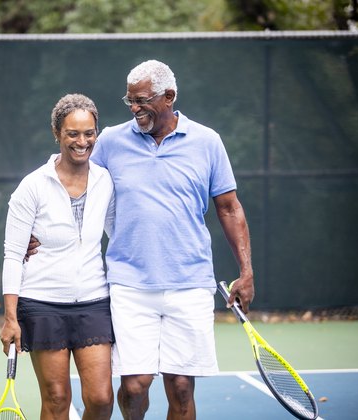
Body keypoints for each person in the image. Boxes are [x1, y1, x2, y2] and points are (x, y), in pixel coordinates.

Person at [27, 60, 255, 420]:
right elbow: (68, 172)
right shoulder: (112, 141)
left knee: (181, 388)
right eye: (129, 101)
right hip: (128, 284)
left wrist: (246, 270)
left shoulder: (208, 142)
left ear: (169, 97)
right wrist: (33, 230)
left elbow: (229, 208)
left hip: (190, 283)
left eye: (142, 100)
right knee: (134, 388)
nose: (134, 108)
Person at [0, 93, 115, 420]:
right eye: (73, 133)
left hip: (93, 301)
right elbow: (12, 255)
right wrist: (10, 317)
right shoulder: (32, 187)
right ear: (57, 133)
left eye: (89, 133)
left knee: (102, 399)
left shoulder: (106, 181)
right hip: (41, 303)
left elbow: (120, 234)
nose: (82, 141)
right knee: (56, 398)